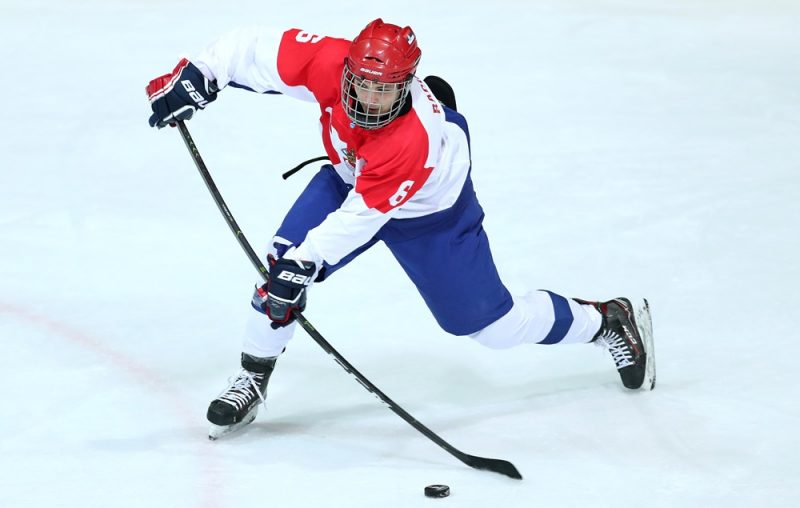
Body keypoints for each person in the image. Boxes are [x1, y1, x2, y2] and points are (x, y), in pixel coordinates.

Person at [146, 19, 655, 438]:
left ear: (407, 85)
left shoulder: (412, 139)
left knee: (493, 328)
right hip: (354, 178)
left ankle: (607, 321)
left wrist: (306, 261)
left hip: (431, 215)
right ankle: (253, 378)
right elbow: (253, 48)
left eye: (384, 90)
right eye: (363, 84)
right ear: (349, 71)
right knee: (277, 276)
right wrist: (201, 72)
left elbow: (361, 218)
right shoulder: (332, 61)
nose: (369, 99)